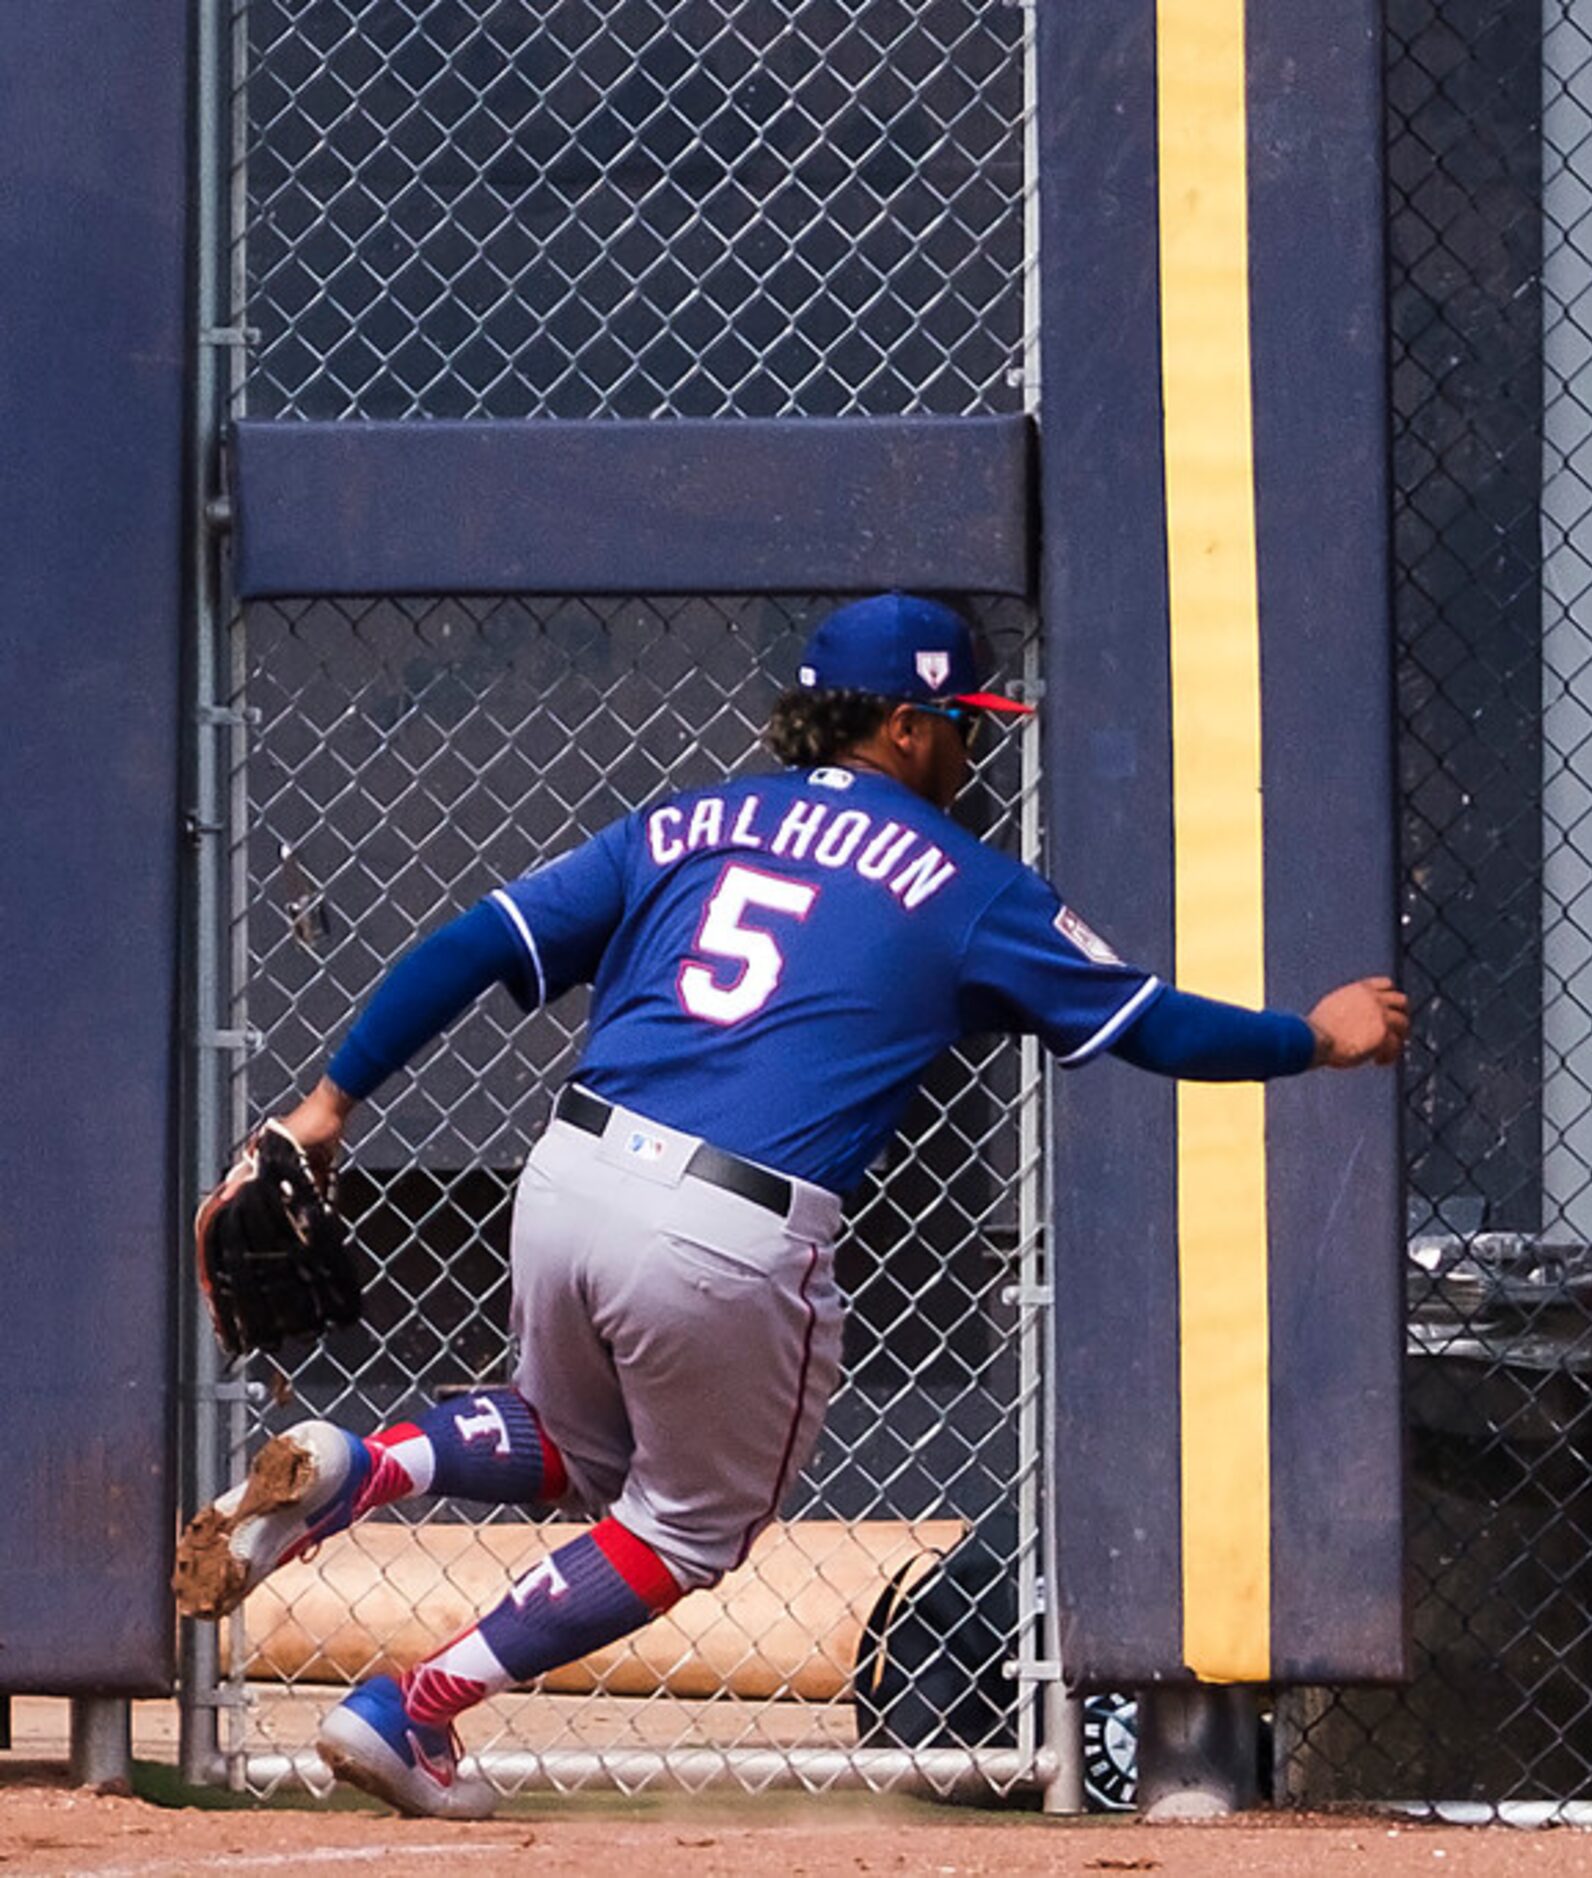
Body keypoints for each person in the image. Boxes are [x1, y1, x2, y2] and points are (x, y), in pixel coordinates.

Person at [171, 592, 1411, 1820]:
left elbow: (474, 943)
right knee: (687, 1531)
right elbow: (1156, 1023)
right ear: (908, 728)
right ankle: (415, 1709)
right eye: (962, 723)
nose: (970, 748)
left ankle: (360, 1465)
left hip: (571, 1174)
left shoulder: (686, 823)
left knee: (574, 1442)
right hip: (728, 1228)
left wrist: (330, 1103)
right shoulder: (971, 884)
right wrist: (1313, 1038)